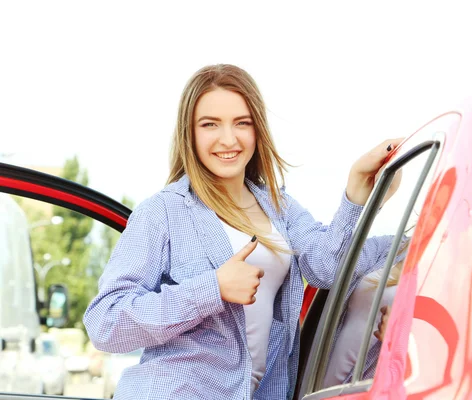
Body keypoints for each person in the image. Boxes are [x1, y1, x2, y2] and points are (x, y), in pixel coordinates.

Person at [83, 64, 403, 400]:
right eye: (210, 125)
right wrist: (213, 288)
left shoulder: (280, 207)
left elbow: (326, 268)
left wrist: (357, 195)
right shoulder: (162, 212)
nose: (228, 139)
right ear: (189, 133)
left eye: (242, 123)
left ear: (257, 130)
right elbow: (105, 323)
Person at [323, 238, 411, 387]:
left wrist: (401, 339)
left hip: (373, 384)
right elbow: (326, 268)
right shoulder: (390, 246)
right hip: (327, 369)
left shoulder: (450, 274)